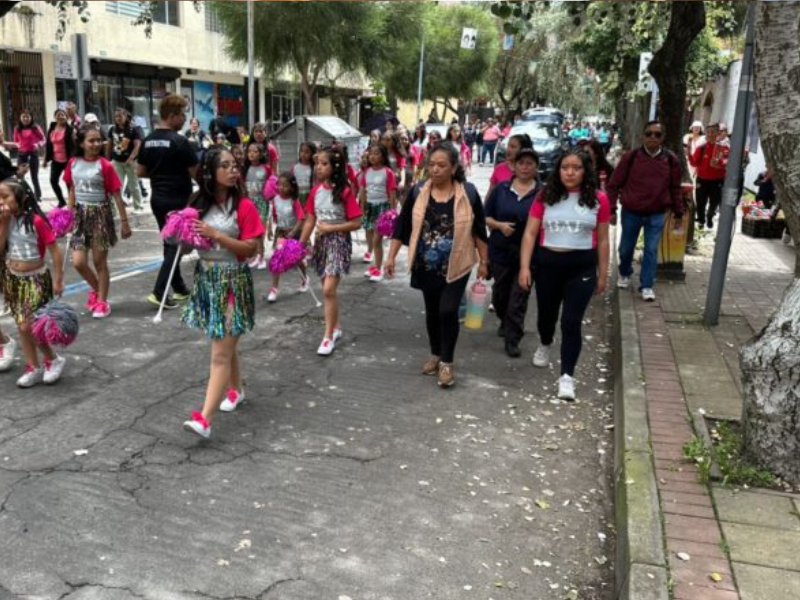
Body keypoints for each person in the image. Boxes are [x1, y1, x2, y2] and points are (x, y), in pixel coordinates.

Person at [385, 141, 489, 389]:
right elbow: (402, 227)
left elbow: (479, 231)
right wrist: (390, 257)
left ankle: (447, 362)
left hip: (457, 264)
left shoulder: (469, 193)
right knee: (432, 312)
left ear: (454, 167)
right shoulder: (418, 191)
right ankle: (435, 353)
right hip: (426, 264)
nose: (435, 169)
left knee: (447, 311)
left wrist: (485, 262)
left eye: (442, 165)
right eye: (431, 164)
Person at [180, 149, 266, 439]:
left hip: (233, 283)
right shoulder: (196, 204)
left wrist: (215, 234)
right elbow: (187, 247)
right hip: (206, 281)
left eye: (234, 165)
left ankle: (204, 419)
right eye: (225, 165)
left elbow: (250, 249)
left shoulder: (244, 206)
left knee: (220, 352)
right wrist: (181, 237)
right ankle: (236, 389)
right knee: (225, 344)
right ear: (210, 172)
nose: (233, 170)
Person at [518, 151, 610, 401]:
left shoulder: (598, 199)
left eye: (576, 168)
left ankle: (567, 376)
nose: (570, 172)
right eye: (565, 167)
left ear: (585, 171)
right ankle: (545, 341)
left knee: (571, 322)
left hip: (581, 268)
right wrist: (524, 267)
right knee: (547, 315)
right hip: (548, 265)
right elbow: (529, 234)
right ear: (558, 170)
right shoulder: (545, 196)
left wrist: (603, 273)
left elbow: (602, 240)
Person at [607, 121, 683, 302]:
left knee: (650, 250)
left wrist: (678, 212)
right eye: (649, 133)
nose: (652, 138)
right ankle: (625, 273)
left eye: (657, 134)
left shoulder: (670, 160)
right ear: (643, 135)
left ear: (663, 138)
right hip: (631, 212)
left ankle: (647, 285)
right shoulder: (631, 158)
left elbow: (675, 187)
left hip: (656, 214)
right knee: (626, 248)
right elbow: (614, 184)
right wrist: (611, 209)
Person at [0, 177, 65, 387]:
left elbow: (55, 249)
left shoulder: (36, 221)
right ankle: (33, 367)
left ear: (21, 198)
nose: (1, 201)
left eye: (4, 196)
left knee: (30, 326)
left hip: (36, 279)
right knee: (21, 326)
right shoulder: (5, 221)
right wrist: (3, 222)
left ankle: (53, 359)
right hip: (14, 279)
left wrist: (58, 279)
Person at [136, 94, 199, 310]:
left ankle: (179, 287)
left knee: (168, 242)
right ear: (171, 116)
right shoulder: (180, 141)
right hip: (178, 199)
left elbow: (140, 171)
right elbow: (196, 173)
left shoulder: (148, 139)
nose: (184, 119)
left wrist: (160, 173)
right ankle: (159, 291)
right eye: (182, 115)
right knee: (176, 245)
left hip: (158, 199)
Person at [299, 145, 362, 356]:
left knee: (327, 290)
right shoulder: (316, 191)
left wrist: (331, 228)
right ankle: (336, 327)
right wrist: (300, 244)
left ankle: (327, 337)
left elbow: (356, 222)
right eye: (316, 163)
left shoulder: (344, 191)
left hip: (339, 242)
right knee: (328, 291)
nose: (318, 167)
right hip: (321, 243)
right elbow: (310, 219)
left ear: (335, 166)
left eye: (323, 163)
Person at [64, 127, 132, 318]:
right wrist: (68, 216)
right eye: (91, 141)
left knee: (99, 262)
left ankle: (102, 301)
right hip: (80, 215)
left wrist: (125, 222)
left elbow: (117, 196)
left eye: (98, 140)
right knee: (78, 262)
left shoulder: (105, 165)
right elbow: (72, 190)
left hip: (101, 215)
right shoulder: (73, 163)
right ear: (81, 143)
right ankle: (98, 290)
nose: (95, 144)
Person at [485, 147, 541, 358]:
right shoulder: (501, 189)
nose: (525, 167)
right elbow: (485, 216)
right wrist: (499, 226)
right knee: (500, 295)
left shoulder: (542, 193)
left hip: (528, 254)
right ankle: (504, 320)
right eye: (521, 163)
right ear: (514, 166)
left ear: (536, 167)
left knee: (519, 297)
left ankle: (513, 338)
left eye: (530, 164)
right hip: (500, 250)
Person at [358, 144, 397, 283]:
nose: (372, 156)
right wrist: (361, 208)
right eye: (371, 153)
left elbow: (392, 194)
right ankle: (374, 265)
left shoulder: (388, 172)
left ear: (383, 156)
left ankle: (378, 269)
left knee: (377, 240)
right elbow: (363, 191)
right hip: (369, 208)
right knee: (370, 235)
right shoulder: (366, 171)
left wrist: (392, 213)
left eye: (376, 153)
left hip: (383, 208)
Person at [266, 172, 308, 303]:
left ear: (292, 187)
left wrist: (293, 231)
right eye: (279, 184)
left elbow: (301, 219)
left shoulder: (294, 201)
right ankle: (274, 289)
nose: (281, 188)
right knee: (277, 259)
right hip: (280, 233)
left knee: (298, 259)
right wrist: (269, 228)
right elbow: (273, 215)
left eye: (285, 185)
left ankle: (305, 279)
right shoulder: (275, 199)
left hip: (294, 233)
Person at [690, 123, 729, 230]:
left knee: (714, 203)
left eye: (713, 132)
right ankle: (701, 220)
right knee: (700, 202)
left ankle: (710, 216)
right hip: (702, 180)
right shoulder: (701, 148)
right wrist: (689, 153)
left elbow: (728, 163)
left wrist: (719, 165)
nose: (711, 134)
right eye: (709, 132)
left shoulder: (724, 148)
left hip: (717, 181)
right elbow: (694, 163)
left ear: (718, 133)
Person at [107, 108, 143, 212]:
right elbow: (109, 145)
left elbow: (138, 145)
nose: (118, 118)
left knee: (134, 185)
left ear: (126, 116)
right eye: (116, 116)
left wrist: (131, 158)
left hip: (131, 162)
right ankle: (115, 209)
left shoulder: (134, 129)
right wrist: (108, 160)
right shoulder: (112, 129)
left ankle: (138, 207)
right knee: (117, 186)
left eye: (120, 116)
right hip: (117, 161)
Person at [243, 142, 272, 270]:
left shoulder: (266, 168)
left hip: (261, 201)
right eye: (249, 151)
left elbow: (272, 184)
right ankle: (254, 255)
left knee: (260, 229)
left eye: (255, 151)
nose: (252, 154)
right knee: (250, 230)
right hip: (249, 202)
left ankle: (261, 255)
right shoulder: (245, 168)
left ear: (261, 154)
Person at [487, 133, 533, 199]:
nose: (508, 150)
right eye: (508, 146)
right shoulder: (499, 168)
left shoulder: (529, 170)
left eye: (513, 147)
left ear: (522, 150)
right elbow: (490, 194)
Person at [44, 109, 75, 208]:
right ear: (55, 116)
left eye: (63, 115)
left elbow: (74, 145)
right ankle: (61, 200)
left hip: (67, 160)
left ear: (66, 117)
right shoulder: (52, 127)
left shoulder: (70, 129)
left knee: (68, 182)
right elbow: (48, 145)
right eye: (58, 115)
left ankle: (72, 202)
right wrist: (45, 159)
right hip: (55, 160)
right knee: (53, 180)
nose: (60, 117)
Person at [13, 110, 46, 200]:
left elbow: (43, 139)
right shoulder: (17, 128)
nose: (26, 118)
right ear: (20, 118)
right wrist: (17, 146)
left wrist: (38, 144)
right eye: (23, 116)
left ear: (31, 118)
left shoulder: (35, 127)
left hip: (33, 154)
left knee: (34, 176)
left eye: (27, 116)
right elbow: (16, 141)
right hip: (21, 155)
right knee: (20, 176)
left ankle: (37, 195)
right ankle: (21, 196)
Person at [292, 142, 316, 209]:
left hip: (311, 197)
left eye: (307, 152)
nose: (303, 154)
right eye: (302, 151)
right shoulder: (295, 168)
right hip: (299, 197)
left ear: (312, 153)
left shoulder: (315, 168)